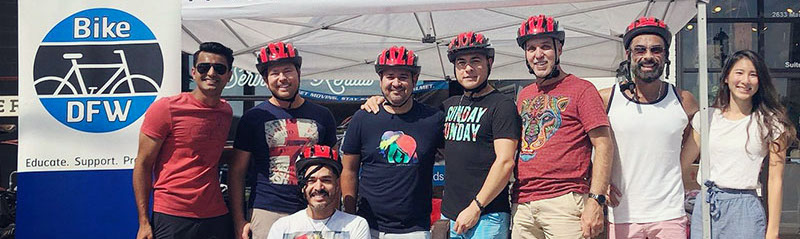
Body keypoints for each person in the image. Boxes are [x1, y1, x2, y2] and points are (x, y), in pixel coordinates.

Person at [359, 32, 521, 239]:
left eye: (476, 61)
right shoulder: (448, 106)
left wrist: (476, 207)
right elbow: (409, 116)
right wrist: (379, 100)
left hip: (487, 214)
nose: (468, 68)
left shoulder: (502, 105)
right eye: (461, 63)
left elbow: (505, 162)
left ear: (489, 62)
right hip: (451, 215)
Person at [512, 15, 614, 239]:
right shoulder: (525, 94)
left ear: (559, 49)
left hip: (565, 201)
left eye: (545, 47)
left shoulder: (582, 89)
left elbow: (604, 144)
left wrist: (596, 200)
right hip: (523, 203)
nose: (538, 54)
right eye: (531, 48)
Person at [598, 17, 699, 239]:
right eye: (640, 50)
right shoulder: (607, 99)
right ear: (629, 55)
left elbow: (698, 143)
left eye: (656, 50)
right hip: (622, 214)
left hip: (670, 214)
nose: (648, 56)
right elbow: (583, 146)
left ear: (665, 55)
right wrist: (597, 183)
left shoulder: (684, 101)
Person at [682, 50, 798, 239]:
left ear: (760, 81)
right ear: (726, 77)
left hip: (745, 207)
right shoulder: (706, 118)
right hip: (707, 205)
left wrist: (773, 231)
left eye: (753, 74)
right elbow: (681, 165)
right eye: (739, 72)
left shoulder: (771, 123)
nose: (745, 80)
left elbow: (775, 180)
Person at [228, 41, 338, 239]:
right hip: (267, 209)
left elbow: (336, 168)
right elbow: (237, 172)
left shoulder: (323, 115)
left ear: (298, 73)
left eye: (287, 71)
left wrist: (337, 210)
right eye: (274, 73)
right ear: (265, 79)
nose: (282, 78)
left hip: (314, 208)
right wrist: (239, 220)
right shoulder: (253, 117)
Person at [340, 46, 445, 239]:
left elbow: (459, 158)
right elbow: (349, 170)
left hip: (414, 228)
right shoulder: (363, 118)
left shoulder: (433, 119)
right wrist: (349, 216)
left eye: (403, 76)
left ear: (415, 79)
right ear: (381, 79)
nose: (396, 83)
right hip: (367, 226)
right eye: (390, 76)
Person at [133, 42, 234, 239]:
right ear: (194, 72)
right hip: (172, 215)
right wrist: (144, 222)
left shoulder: (226, 111)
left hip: (215, 214)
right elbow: (143, 164)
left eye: (219, 68)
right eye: (205, 67)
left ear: (229, 75)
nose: (212, 73)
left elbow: (205, 154)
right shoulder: (166, 109)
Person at [267, 145, 370, 239]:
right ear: (303, 187)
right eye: (311, 181)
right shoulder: (282, 227)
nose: (319, 187)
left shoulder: (356, 225)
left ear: (337, 185)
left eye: (326, 180)